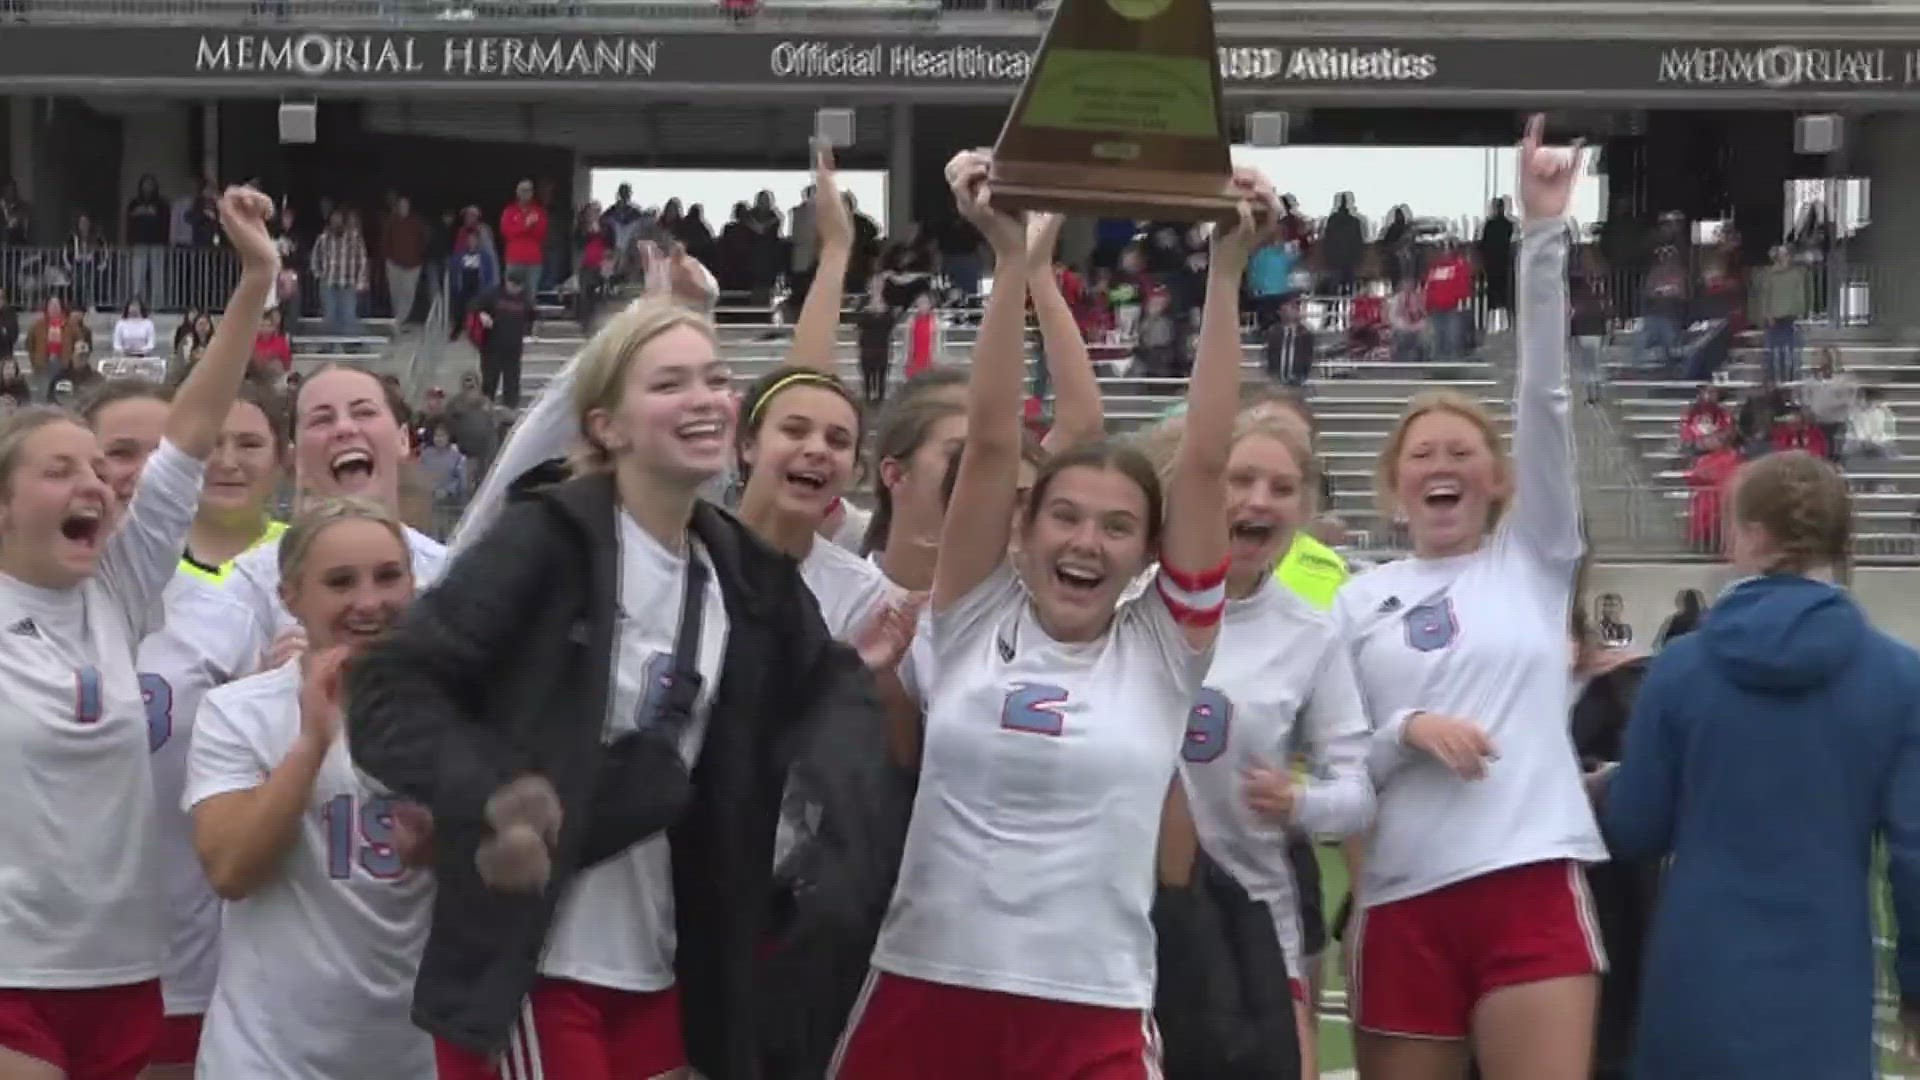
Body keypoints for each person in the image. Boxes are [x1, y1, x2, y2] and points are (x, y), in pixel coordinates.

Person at [347, 296, 899, 1080]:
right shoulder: (547, 540)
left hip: (670, 970)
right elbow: (388, 687)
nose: (704, 398)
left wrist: (840, 873)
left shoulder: (742, 572)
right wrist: (494, 794)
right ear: (608, 425)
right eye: (670, 384)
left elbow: (828, 698)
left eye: (715, 379)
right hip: (539, 967)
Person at [828, 150, 1274, 1080]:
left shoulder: (1164, 648)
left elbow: (1201, 460)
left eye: (1118, 527)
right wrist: (1005, 260)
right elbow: (992, 442)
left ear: (1151, 553)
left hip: (1093, 1008)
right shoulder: (969, 612)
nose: (1087, 542)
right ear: (1022, 529)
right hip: (925, 986)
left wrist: (1227, 270)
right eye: (1065, 516)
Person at [1332, 117, 1603, 1080]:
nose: (1441, 467)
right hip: (1401, 901)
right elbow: (1337, 770)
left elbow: (1544, 398)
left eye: (1461, 454)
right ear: (1394, 485)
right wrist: (1405, 728)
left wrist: (1539, 235)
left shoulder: (1530, 560)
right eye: (1422, 456)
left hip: (1527, 880)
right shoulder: (1357, 603)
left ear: (1496, 481)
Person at [0, 186, 274, 1080]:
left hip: (129, 973)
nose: (98, 485)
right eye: (60, 469)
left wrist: (256, 278)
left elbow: (191, 431)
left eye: (99, 465)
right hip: (13, 974)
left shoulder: (115, 590)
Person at [1596, 450, 1920, 1080]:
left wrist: (1611, 778)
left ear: (1750, 534)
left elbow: (1637, 827)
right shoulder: (1900, 677)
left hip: (1696, 976)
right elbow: (1914, 858)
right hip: (1825, 984)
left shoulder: (1681, 668)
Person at [1147, 408, 1375, 1080]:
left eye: (1280, 489)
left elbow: (1356, 792)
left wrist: (1299, 802)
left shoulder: (1312, 632)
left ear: (1303, 508)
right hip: (1121, 916)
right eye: (1240, 479)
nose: (1258, 501)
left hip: (1249, 925)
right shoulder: (1135, 598)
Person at [184, 498, 433, 1079]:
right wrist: (311, 744)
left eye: (389, 577)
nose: (369, 602)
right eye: (340, 582)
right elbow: (230, 872)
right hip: (266, 1057)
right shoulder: (237, 712)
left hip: (414, 1056)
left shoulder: (457, 709)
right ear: (290, 596)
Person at [82, 378, 288, 1078]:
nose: (146, 469)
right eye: (120, 450)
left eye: (168, 450)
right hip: (35, 964)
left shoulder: (228, 610)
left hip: (187, 972)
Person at [222, 364, 447, 671]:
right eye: (322, 419)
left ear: (403, 439)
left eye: (364, 412)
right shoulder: (251, 587)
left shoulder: (449, 574)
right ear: (295, 455)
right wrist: (273, 682)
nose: (344, 428)